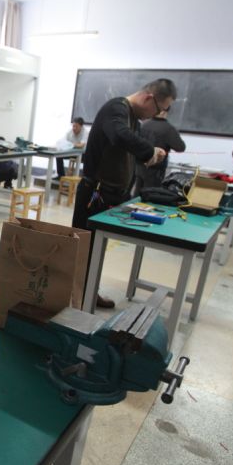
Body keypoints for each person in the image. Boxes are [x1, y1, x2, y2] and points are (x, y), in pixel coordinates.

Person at [72, 78, 175, 308]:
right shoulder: (116, 109)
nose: (156, 115)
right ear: (148, 98)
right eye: (158, 109)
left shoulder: (133, 120)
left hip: (112, 195)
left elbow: (124, 150)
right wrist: (149, 150)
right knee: (85, 248)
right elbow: (119, 136)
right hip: (94, 194)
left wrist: (147, 156)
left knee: (96, 249)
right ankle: (76, 297)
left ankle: (88, 291)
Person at [133, 108, 186, 193]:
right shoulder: (168, 129)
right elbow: (180, 147)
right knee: (151, 195)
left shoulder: (144, 124)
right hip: (156, 170)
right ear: (166, 111)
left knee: (137, 192)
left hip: (139, 166)